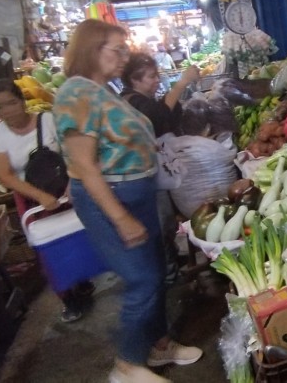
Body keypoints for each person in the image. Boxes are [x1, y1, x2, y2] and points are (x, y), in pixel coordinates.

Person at [52, 19, 201, 383]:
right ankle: (127, 365)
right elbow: (85, 167)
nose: (123, 57)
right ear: (90, 49)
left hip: (138, 195)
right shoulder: (75, 94)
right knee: (143, 280)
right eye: (115, 50)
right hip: (111, 200)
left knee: (155, 274)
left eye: (124, 49)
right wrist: (120, 218)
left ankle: (160, 345)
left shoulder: (101, 90)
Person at [0, 80, 95, 323]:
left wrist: (72, 183)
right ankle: (67, 297)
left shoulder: (49, 120)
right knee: (48, 247)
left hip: (67, 186)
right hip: (30, 197)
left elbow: (72, 152)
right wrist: (40, 196)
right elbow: (6, 176)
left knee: (79, 235)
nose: (7, 111)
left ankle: (83, 277)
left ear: (22, 100)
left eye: (11, 103)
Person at [119, 53, 199, 284]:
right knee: (159, 223)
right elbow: (159, 115)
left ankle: (170, 265)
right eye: (151, 76)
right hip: (142, 175)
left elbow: (168, 117)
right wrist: (182, 82)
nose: (156, 80)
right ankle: (167, 275)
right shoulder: (131, 101)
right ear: (134, 79)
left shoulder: (143, 99)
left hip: (154, 171)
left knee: (165, 221)